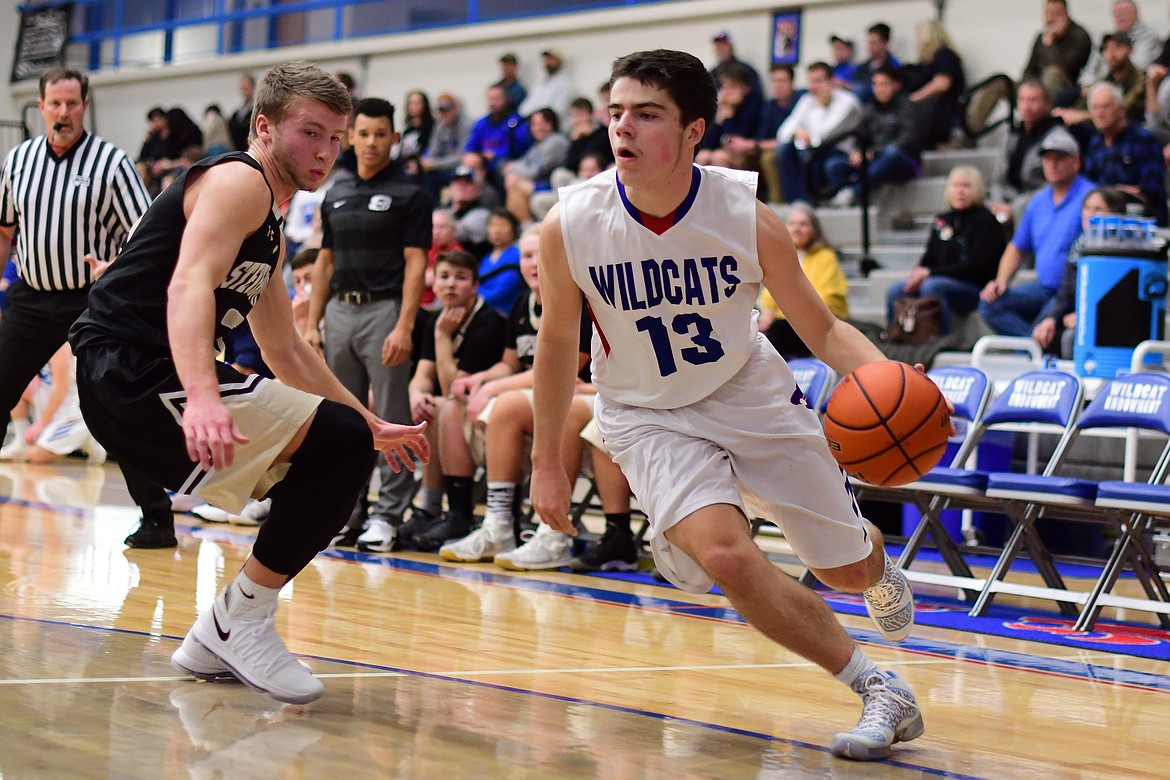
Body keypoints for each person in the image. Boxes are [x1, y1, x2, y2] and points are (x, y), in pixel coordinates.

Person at [531, 49, 927, 761]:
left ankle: (869, 559)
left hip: (749, 393)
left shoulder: (746, 214)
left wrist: (896, 381)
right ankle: (878, 687)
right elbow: (558, 343)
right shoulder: (571, 223)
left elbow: (825, 328)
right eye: (617, 112)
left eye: (647, 115)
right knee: (729, 555)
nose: (623, 128)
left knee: (842, 569)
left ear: (694, 132)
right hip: (646, 412)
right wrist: (546, 466)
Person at [68, 61, 428, 705]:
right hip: (132, 367)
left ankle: (223, 630)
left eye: (335, 138)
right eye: (310, 132)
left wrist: (369, 420)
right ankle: (240, 620)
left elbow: (283, 347)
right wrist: (202, 395)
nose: (325, 151)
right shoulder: (240, 182)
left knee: (343, 442)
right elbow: (187, 285)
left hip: (133, 371)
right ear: (264, 126)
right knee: (337, 445)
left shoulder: (270, 225)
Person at [0, 67, 176, 550]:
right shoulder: (18, 161)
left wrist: (115, 268)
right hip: (32, 297)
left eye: (72, 104)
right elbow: (4, 230)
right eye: (55, 104)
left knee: (116, 404)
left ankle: (157, 520)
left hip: (93, 300)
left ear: (84, 106)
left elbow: (146, 233)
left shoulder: (112, 163)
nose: (63, 113)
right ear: (41, 106)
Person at [410, 226, 593, 556]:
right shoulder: (524, 302)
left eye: (540, 254)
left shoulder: (576, 301)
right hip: (533, 397)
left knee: (506, 403)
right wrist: (480, 379)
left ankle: (515, 524)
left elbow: (563, 369)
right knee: (456, 403)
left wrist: (495, 385)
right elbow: (510, 363)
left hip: (575, 398)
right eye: (526, 256)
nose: (534, 263)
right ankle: (482, 520)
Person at [304, 96, 433, 552]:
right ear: (350, 137)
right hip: (339, 309)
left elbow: (417, 265)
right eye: (363, 134)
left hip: (385, 312)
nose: (372, 142)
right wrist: (312, 323)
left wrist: (404, 326)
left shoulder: (412, 195)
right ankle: (347, 510)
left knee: (392, 415)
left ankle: (388, 515)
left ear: (394, 138)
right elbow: (324, 260)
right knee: (343, 418)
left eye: (381, 134)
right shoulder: (335, 192)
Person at [407, 250, 508, 525]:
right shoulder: (436, 319)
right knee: (427, 406)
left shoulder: (488, 322)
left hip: (483, 408)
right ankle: (428, 507)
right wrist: (416, 394)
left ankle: (442, 509)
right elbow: (423, 375)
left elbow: (453, 388)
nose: (451, 284)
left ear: (475, 285)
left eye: (460, 278)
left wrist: (442, 337)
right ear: (434, 283)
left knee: (439, 408)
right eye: (444, 277)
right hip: (454, 407)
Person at [979, 128, 1095, 336]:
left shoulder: (1090, 198)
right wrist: (1001, 281)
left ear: (1076, 162)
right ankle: (1032, 343)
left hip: (1071, 291)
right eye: (1047, 159)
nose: (1052, 164)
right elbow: (1017, 247)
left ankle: (1034, 344)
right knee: (990, 304)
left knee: (1046, 319)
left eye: (1059, 158)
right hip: (1043, 287)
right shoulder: (1038, 201)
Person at [886, 166, 1006, 336]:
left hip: (975, 288)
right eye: (956, 186)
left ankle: (939, 339)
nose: (960, 191)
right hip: (939, 280)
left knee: (933, 286)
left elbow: (976, 266)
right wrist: (918, 274)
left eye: (966, 186)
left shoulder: (987, 222)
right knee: (896, 290)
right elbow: (929, 258)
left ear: (978, 189)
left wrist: (930, 273)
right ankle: (896, 337)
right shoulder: (942, 220)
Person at [1032, 187, 1127, 357]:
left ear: (1114, 214)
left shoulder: (1123, 251)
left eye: (1098, 209)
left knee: (1071, 338)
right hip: (1078, 318)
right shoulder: (1078, 247)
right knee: (1043, 332)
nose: (1090, 214)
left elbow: (1118, 299)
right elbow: (1065, 294)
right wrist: (1051, 318)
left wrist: (1085, 317)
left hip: (1111, 321)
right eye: (1087, 208)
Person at [757, 204, 848, 358]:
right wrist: (767, 313)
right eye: (792, 224)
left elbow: (828, 297)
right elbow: (769, 295)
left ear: (814, 230)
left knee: (780, 330)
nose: (796, 229)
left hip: (812, 323)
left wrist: (794, 314)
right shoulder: (782, 256)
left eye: (803, 224)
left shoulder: (825, 257)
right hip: (783, 321)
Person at [823, 65, 922, 206]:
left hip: (902, 161)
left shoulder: (907, 107)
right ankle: (846, 202)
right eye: (875, 84)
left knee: (892, 154)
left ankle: (853, 192)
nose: (879, 89)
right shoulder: (869, 109)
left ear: (896, 85)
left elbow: (907, 140)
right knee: (833, 165)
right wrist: (857, 152)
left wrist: (874, 153)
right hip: (872, 160)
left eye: (884, 84)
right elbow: (859, 136)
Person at [1, 343, 105, 465]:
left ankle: (88, 437)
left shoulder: (60, 345)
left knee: (36, 456)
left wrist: (40, 425)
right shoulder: (25, 339)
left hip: (70, 414)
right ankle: (20, 442)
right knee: (13, 385)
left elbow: (61, 389)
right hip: (48, 409)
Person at [1082, 82, 1167, 225]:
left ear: (1121, 109)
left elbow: (1151, 189)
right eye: (1095, 108)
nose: (1100, 113)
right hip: (1101, 219)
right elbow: (1089, 184)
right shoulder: (1095, 143)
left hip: (1141, 221)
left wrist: (1117, 195)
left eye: (1106, 107)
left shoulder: (1142, 139)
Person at [776, 61, 861, 204]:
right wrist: (798, 131)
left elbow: (822, 136)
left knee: (807, 152)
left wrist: (802, 132)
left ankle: (809, 202)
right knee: (785, 149)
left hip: (841, 152)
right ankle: (794, 202)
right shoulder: (807, 100)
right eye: (811, 81)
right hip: (815, 150)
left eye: (818, 81)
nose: (812, 87)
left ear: (832, 82)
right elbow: (783, 133)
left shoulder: (848, 103)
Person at [988, 79, 1064, 225]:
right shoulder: (1012, 134)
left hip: (1039, 204)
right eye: (1022, 100)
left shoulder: (1057, 137)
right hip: (1007, 200)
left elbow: (1054, 184)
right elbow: (998, 179)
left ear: (1047, 104)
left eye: (1033, 100)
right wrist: (997, 204)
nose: (1027, 106)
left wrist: (1015, 207)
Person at [503, 108, 570, 224]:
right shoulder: (538, 145)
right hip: (539, 183)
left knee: (514, 183)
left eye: (540, 124)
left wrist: (512, 167)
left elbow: (534, 171)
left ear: (551, 124)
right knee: (513, 183)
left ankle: (526, 226)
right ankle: (525, 227)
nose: (536, 128)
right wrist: (514, 169)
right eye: (534, 124)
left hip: (554, 186)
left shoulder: (556, 142)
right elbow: (524, 162)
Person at [906, 20, 965, 150]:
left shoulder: (945, 55)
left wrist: (914, 98)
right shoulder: (928, 62)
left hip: (946, 111)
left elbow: (942, 83)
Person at [1022, 0, 1093, 104]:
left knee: (1052, 73)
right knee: (1001, 82)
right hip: (1037, 87)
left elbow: (1062, 68)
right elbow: (1028, 70)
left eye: (1056, 14)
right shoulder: (1041, 37)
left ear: (1066, 15)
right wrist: (1029, 87)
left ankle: (1043, 116)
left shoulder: (1079, 36)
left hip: (1067, 90)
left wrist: (1049, 44)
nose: (1050, 19)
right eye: (1047, 14)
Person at [420, 92, 472, 198]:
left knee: (462, 172)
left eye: (447, 109)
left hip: (462, 167)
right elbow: (432, 151)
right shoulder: (440, 125)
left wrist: (434, 164)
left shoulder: (467, 124)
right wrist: (427, 162)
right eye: (441, 110)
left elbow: (461, 157)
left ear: (456, 108)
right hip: (444, 167)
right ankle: (432, 209)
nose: (444, 113)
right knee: (426, 175)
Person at [477, 209, 525, 315]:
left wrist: (473, 298)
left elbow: (504, 290)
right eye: (492, 225)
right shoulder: (485, 259)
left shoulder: (517, 254)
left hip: (506, 314)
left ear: (514, 229)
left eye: (503, 225)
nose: (497, 230)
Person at [518, 48, 575, 126]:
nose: (548, 62)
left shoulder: (566, 86)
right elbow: (524, 109)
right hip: (533, 124)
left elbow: (557, 111)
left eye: (551, 59)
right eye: (546, 59)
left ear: (559, 61)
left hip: (552, 127)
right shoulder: (539, 86)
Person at [851, 23, 901, 102]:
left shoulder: (894, 66)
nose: (870, 47)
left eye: (874, 43)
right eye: (869, 43)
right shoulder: (863, 67)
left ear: (885, 43)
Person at [399, 90, 434, 178]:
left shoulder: (432, 128)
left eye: (417, 103)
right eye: (411, 103)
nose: (413, 106)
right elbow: (401, 152)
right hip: (405, 165)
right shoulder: (408, 130)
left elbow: (431, 150)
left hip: (422, 167)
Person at [227, 73, 255, 151]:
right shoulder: (236, 115)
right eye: (242, 89)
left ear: (253, 88)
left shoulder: (257, 111)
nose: (244, 92)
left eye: (246, 88)